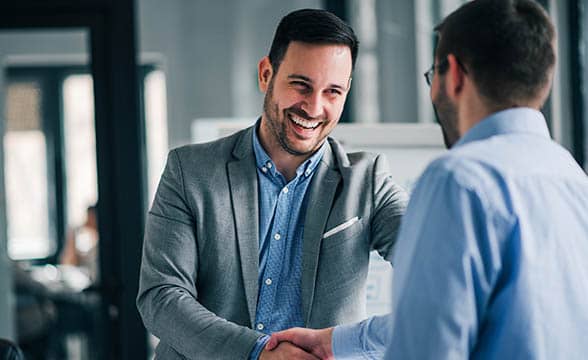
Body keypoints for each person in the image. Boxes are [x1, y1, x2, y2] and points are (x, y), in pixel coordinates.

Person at [266, 0, 588, 358]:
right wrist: (337, 341)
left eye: (432, 76)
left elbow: (428, 346)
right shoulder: (572, 178)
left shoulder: (459, 179)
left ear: (454, 74)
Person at [136, 8, 408, 360]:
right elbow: (161, 297)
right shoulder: (189, 171)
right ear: (267, 74)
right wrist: (257, 353)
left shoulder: (367, 181)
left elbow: (441, 272)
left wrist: (355, 343)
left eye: (333, 92)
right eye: (301, 85)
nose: (314, 107)